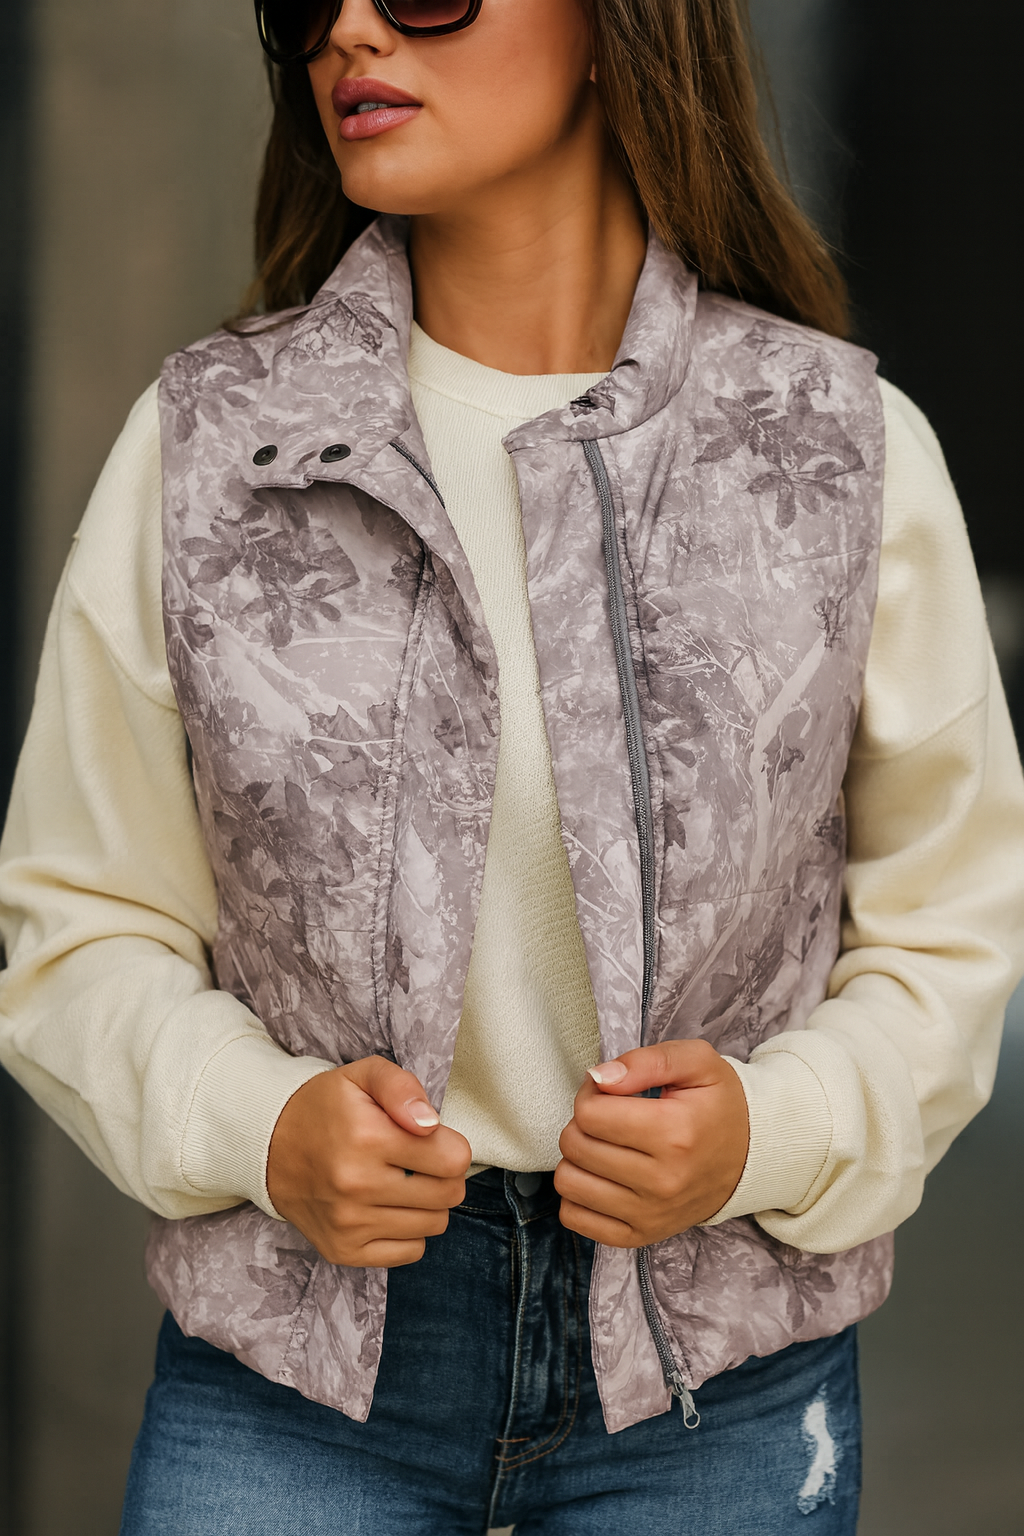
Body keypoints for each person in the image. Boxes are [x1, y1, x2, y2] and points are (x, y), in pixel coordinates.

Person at [1, 0, 1022, 1528]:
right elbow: (77, 920)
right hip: (295, 1378)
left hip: (714, 1388)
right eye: (310, 1)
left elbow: (953, 929)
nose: (351, 30)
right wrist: (260, 1127)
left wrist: (773, 1130)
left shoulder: (836, 447)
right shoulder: (211, 446)